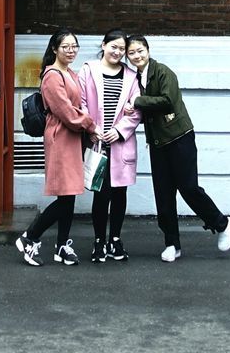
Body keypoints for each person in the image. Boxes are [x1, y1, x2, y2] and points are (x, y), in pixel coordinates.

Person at [125, 33, 230, 262]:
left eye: (140, 50)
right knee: (163, 196)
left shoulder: (163, 72)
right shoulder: (134, 78)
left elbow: (167, 100)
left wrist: (136, 102)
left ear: (148, 50)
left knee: (188, 188)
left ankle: (222, 224)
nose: (136, 56)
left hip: (179, 137)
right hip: (157, 143)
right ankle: (172, 244)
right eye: (131, 53)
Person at [15, 28, 98, 267]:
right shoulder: (52, 75)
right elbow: (66, 112)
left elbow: (76, 107)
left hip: (71, 138)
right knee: (65, 196)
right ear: (54, 49)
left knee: (69, 194)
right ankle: (30, 237)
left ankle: (62, 245)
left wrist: (85, 124)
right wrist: (91, 125)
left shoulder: (69, 72)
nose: (71, 51)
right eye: (66, 47)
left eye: (74, 46)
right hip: (61, 137)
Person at [79, 29, 142, 263]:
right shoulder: (88, 70)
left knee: (119, 193)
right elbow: (81, 102)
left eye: (122, 49)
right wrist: (91, 128)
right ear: (103, 45)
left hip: (120, 143)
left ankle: (115, 239)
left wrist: (119, 130)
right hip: (97, 141)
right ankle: (98, 242)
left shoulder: (131, 76)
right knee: (100, 193)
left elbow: (136, 110)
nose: (117, 52)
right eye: (113, 46)